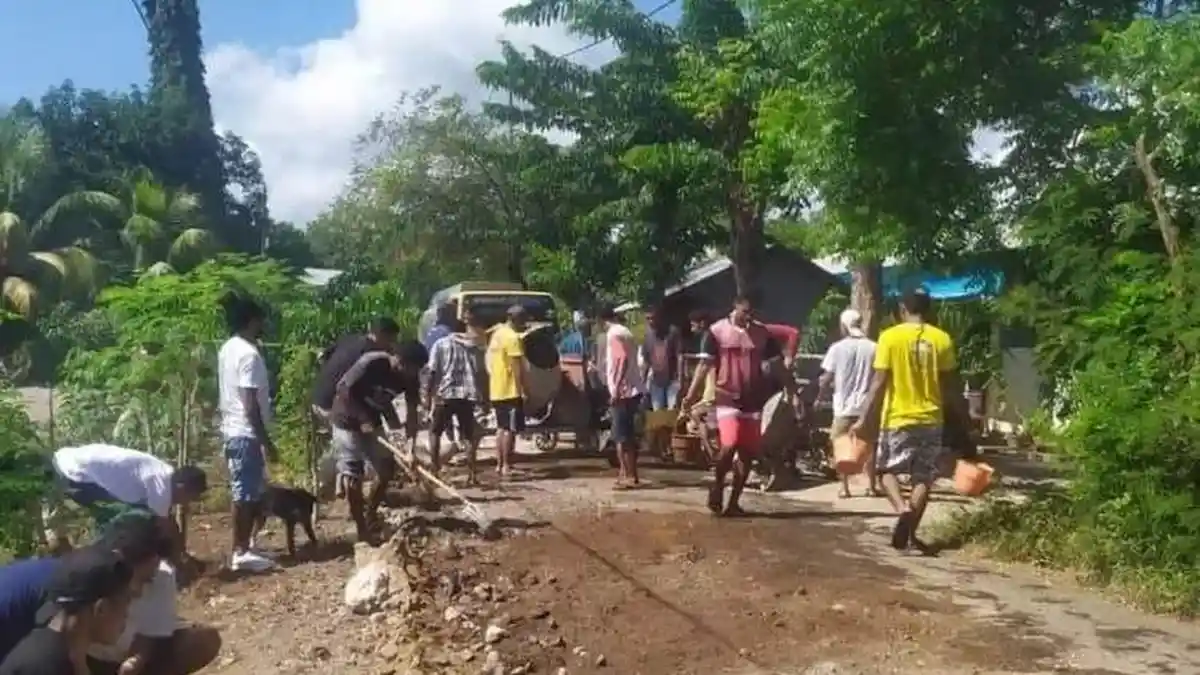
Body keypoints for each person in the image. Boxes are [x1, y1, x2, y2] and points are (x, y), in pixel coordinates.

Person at [853, 288, 969, 551]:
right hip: (931, 419)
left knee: (885, 471)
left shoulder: (889, 338)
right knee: (923, 478)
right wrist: (963, 418)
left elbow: (878, 384)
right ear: (928, 310)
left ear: (902, 310)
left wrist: (863, 418)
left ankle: (902, 508)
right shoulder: (942, 339)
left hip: (897, 419)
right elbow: (951, 386)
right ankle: (910, 532)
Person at [681, 296, 801, 516]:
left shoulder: (762, 333)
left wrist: (792, 391)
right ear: (735, 308)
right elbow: (704, 365)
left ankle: (734, 502)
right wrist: (690, 395)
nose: (748, 317)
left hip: (754, 399)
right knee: (730, 443)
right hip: (727, 397)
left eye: (752, 313)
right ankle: (717, 486)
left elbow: (778, 365)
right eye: (745, 312)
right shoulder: (717, 332)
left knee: (747, 452)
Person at [85, 515, 221, 675]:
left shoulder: (162, 575)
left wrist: (133, 664)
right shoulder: (89, 575)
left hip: (128, 660)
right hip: (91, 659)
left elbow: (149, 634)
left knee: (203, 641)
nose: (139, 591)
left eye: (148, 581)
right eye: (138, 580)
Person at [47, 446, 207, 567]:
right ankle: (104, 566)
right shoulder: (159, 484)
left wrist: (182, 554)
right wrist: (180, 561)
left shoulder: (164, 474)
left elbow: (168, 520)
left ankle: (108, 561)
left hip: (70, 460)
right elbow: (166, 525)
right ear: (181, 487)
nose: (186, 503)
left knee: (132, 518)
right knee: (124, 523)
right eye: (190, 497)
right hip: (73, 473)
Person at [333, 340, 427, 543]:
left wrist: (410, 448)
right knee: (353, 475)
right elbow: (344, 390)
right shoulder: (371, 363)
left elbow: (412, 414)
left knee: (386, 470)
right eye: (412, 368)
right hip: (346, 419)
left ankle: (370, 514)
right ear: (400, 361)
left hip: (373, 419)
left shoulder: (411, 378)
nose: (413, 374)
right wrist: (362, 419)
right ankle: (361, 529)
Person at [0, 547, 133, 675]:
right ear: (101, 609)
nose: (127, 615)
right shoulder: (46, 666)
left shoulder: (68, 654)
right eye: (125, 604)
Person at [216, 296, 276, 573]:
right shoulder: (248, 355)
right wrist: (265, 441)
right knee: (245, 494)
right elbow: (249, 402)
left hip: (234, 429)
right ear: (252, 321)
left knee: (249, 492)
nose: (263, 324)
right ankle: (240, 552)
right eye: (260, 320)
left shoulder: (228, 348)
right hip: (245, 432)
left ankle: (244, 548)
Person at [818, 308, 880, 498]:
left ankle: (844, 488)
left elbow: (825, 378)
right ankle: (871, 486)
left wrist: (820, 395)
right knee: (869, 445)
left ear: (844, 325)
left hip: (843, 407)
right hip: (866, 406)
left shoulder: (836, 348)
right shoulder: (874, 347)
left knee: (841, 446)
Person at [426, 310, 487, 484]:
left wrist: (428, 397)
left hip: (445, 394)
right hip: (467, 396)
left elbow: (432, 371)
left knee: (435, 432)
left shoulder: (441, 344)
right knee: (468, 435)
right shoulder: (473, 347)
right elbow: (481, 373)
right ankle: (472, 474)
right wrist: (484, 399)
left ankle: (435, 469)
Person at [597, 307, 644, 488]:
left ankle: (628, 476)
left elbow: (622, 358)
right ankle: (627, 473)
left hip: (624, 392)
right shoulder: (625, 332)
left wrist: (616, 387)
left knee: (621, 437)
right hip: (632, 390)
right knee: (626, 435)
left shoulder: (613, 334)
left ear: (601, 320)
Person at [487, 306, 528, 479]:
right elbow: (516, 366)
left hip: (496, 389)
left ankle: (499, 465)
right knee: (510, 430)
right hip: (510, 390)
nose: (524, 324)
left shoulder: (497, 334)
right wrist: (521, 390)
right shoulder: (512, 338)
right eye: (523, 320)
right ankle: (506, 466)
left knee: (501, 428)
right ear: (517, 319)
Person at [640, 308, 683, 412]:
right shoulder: (648, 335)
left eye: (653, 318)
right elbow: (646, 360)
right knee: (658, 411)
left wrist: (681, 377)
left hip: (673, 378)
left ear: (659, 317)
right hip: (656, 380)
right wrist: (642, 381)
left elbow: (680, 355)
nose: (651, 321)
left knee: (672, 411)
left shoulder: (672, 332)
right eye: (648, 318)